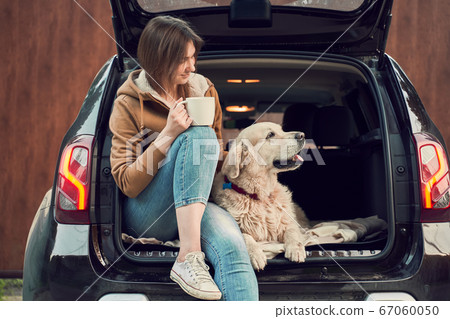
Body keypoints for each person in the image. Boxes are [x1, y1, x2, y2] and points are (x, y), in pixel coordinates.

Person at [109, 16, 258, 301]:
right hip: (149, 212)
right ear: (158, 60)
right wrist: (168, 134)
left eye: (193, 57)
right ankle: (188, 257)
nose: (192, 66)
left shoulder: (203, 90)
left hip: (196, 204)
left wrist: (245, 160)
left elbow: (212, 163)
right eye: (183, 60)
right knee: (197, 136)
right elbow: (127, 183)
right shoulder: (128, 102)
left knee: (233, 249)